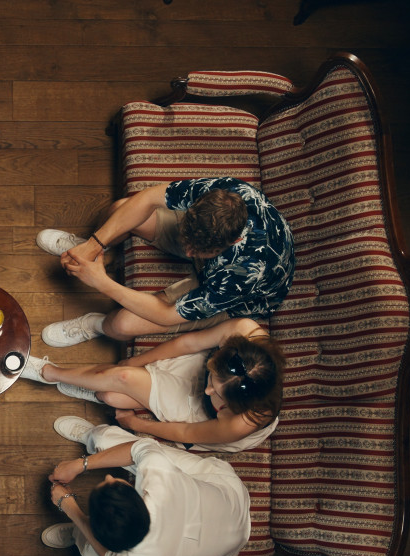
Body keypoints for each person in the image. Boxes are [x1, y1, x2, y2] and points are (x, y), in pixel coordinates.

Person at [34, 178, 294, 347]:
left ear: (233, 240)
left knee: (123, 323)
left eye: (198, 250)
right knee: (121, 209)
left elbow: (167, 315)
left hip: (237, 295)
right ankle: (92, 253)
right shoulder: (226, 194)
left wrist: (101, 282)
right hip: (217, 251)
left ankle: (93, 324)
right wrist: (93, 245)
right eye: (187, 242)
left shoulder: (244, 273)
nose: (188, 252)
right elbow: (147, 199)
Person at [21, 318, 283, 453]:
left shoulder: (241, 421)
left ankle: (67, 377)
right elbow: (187, 345)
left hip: (203, 420)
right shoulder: (243, 330)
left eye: (218, 394)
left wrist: (136, 425)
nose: (207, 391)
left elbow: (187, 433)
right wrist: (134, 361)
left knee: (110, 394)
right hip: (194, 369)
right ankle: (51, 372)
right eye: (213, 380)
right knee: (121, 380)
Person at [42, 416, 251, 556]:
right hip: (227, 491)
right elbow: (139, 449)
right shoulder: (162, 483)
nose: (108, 475)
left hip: (228, 543)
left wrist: (70, 507)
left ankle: (80, 532)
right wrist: (80, 464)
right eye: (113, 481)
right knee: (105, 440)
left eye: (107, 480)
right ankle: (91, 436)